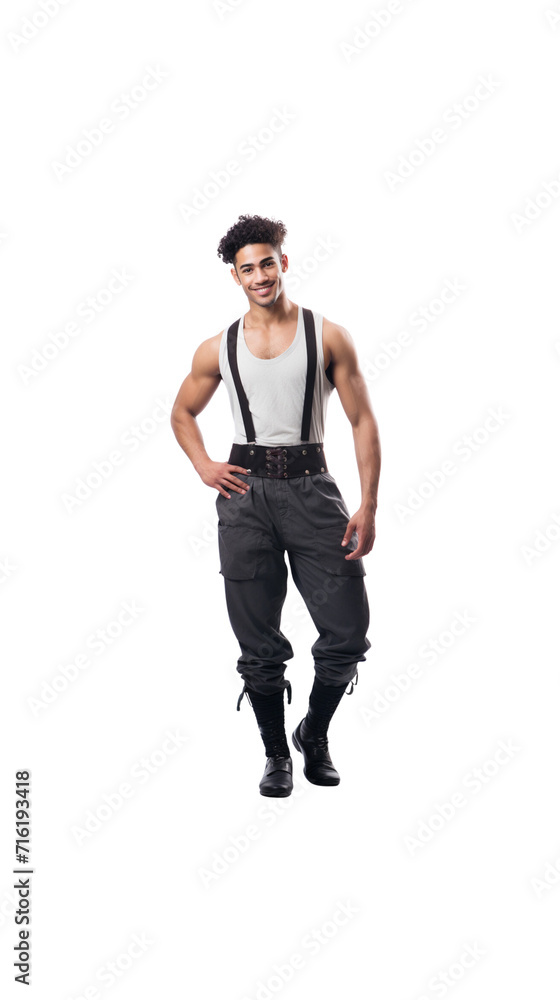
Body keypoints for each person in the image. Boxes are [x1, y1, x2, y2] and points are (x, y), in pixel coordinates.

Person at [170, 214, 381, 798]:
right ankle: (274, 755)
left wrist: (369, 503)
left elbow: (362, 421)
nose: (260, 275)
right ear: (235, 278)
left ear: (283, 263)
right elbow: (181, 413)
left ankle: (313, 731)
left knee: (347, 632)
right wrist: (204, 465)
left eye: (268, 262)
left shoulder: (328, 335)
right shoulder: (220, 346)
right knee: (257, 640)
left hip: (314, 488)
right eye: (247, 269)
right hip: (245, 497)